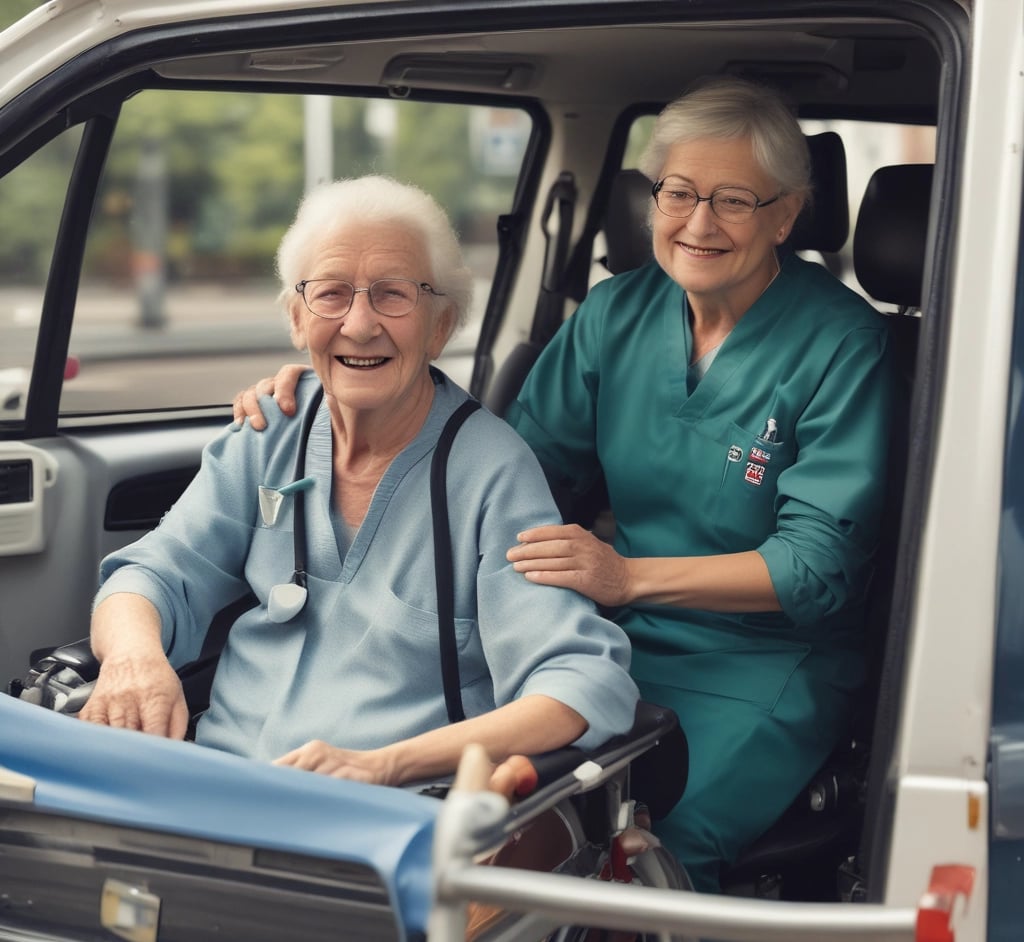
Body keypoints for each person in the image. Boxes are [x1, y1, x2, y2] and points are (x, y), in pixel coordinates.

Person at [232, 77, 894, 892]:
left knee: (638, 846)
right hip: (597, 636)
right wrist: (339, 385)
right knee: (487, 827)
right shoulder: (616, 314)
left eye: (733, 201)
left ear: (787, 214)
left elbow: (817, 572)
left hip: (759, 662)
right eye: (677, 193)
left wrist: (626, 575)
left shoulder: (845, 344)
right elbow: (506, 464)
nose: (697, 223)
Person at [80, 174, 639, 796]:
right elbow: (152, 574)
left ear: (440, 325)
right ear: (298, 317)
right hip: (216, 784)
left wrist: (385, 765)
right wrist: (135, 662)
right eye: (332, 294)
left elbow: (580, 684)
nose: (360, 323)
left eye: (393, 295)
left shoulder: (492, 473)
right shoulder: (270, 430)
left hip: (381, 819)